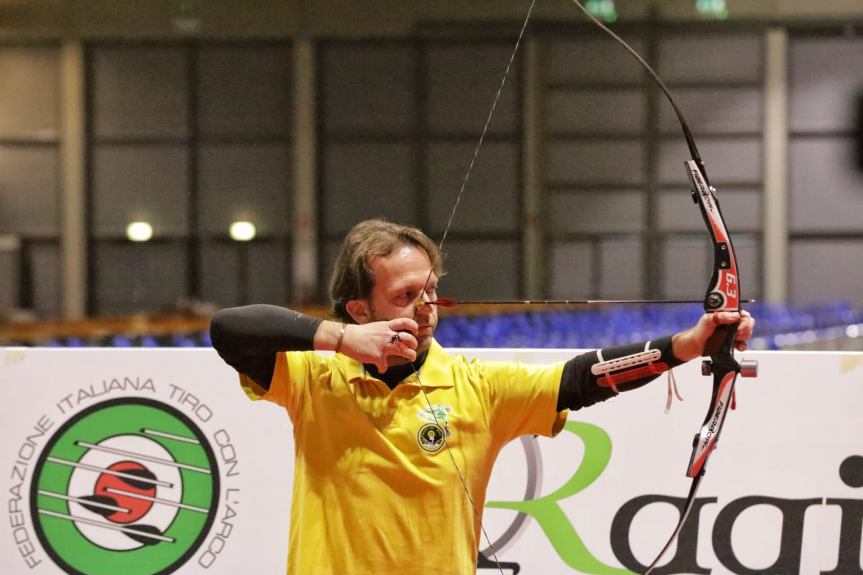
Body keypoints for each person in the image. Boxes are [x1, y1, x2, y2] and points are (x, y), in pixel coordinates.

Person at [210, 218, 755, 575]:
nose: (426, 306)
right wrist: (341, 341)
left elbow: (580, 378)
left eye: (430, 289)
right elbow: (230, 329)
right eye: (405, 295)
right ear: (359, 310)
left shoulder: (478, 385)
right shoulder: (315, 378)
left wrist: (684, 346)